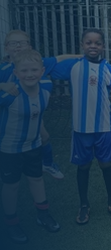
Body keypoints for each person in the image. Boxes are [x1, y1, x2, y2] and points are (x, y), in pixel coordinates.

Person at [49, 28, 111, 224]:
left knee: (106, 164)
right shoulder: (73, 66)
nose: (93, 46)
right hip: (81, 129)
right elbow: (44, 65)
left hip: (103, 128)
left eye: (97, 43)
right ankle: (84, 205)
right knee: (84, 165)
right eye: (89, 43)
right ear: (82, 45)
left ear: (103, 47)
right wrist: (73, 56)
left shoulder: (107, 68)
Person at [0, 50, 60, 244]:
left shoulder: (47, 87)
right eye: (24, 70)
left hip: (34, 145)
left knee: (37, 179)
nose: (30, 74)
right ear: (16, 73)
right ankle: (12, 223)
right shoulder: (9, 94)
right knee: (11, 185)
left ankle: (42, 215)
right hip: (10, 149)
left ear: (42, 71)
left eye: (34, 69)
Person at [0, 30, 68, 179]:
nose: (18, 46)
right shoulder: (3, 69)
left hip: (31, 111)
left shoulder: (38, 63)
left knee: (44, 137)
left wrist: (81, 56)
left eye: (22, 42)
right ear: (6, 48)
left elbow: (59, 59)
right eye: (13, 43)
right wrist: (2, 85)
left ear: (29, 47)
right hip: (9, 115)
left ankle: (47, 164)